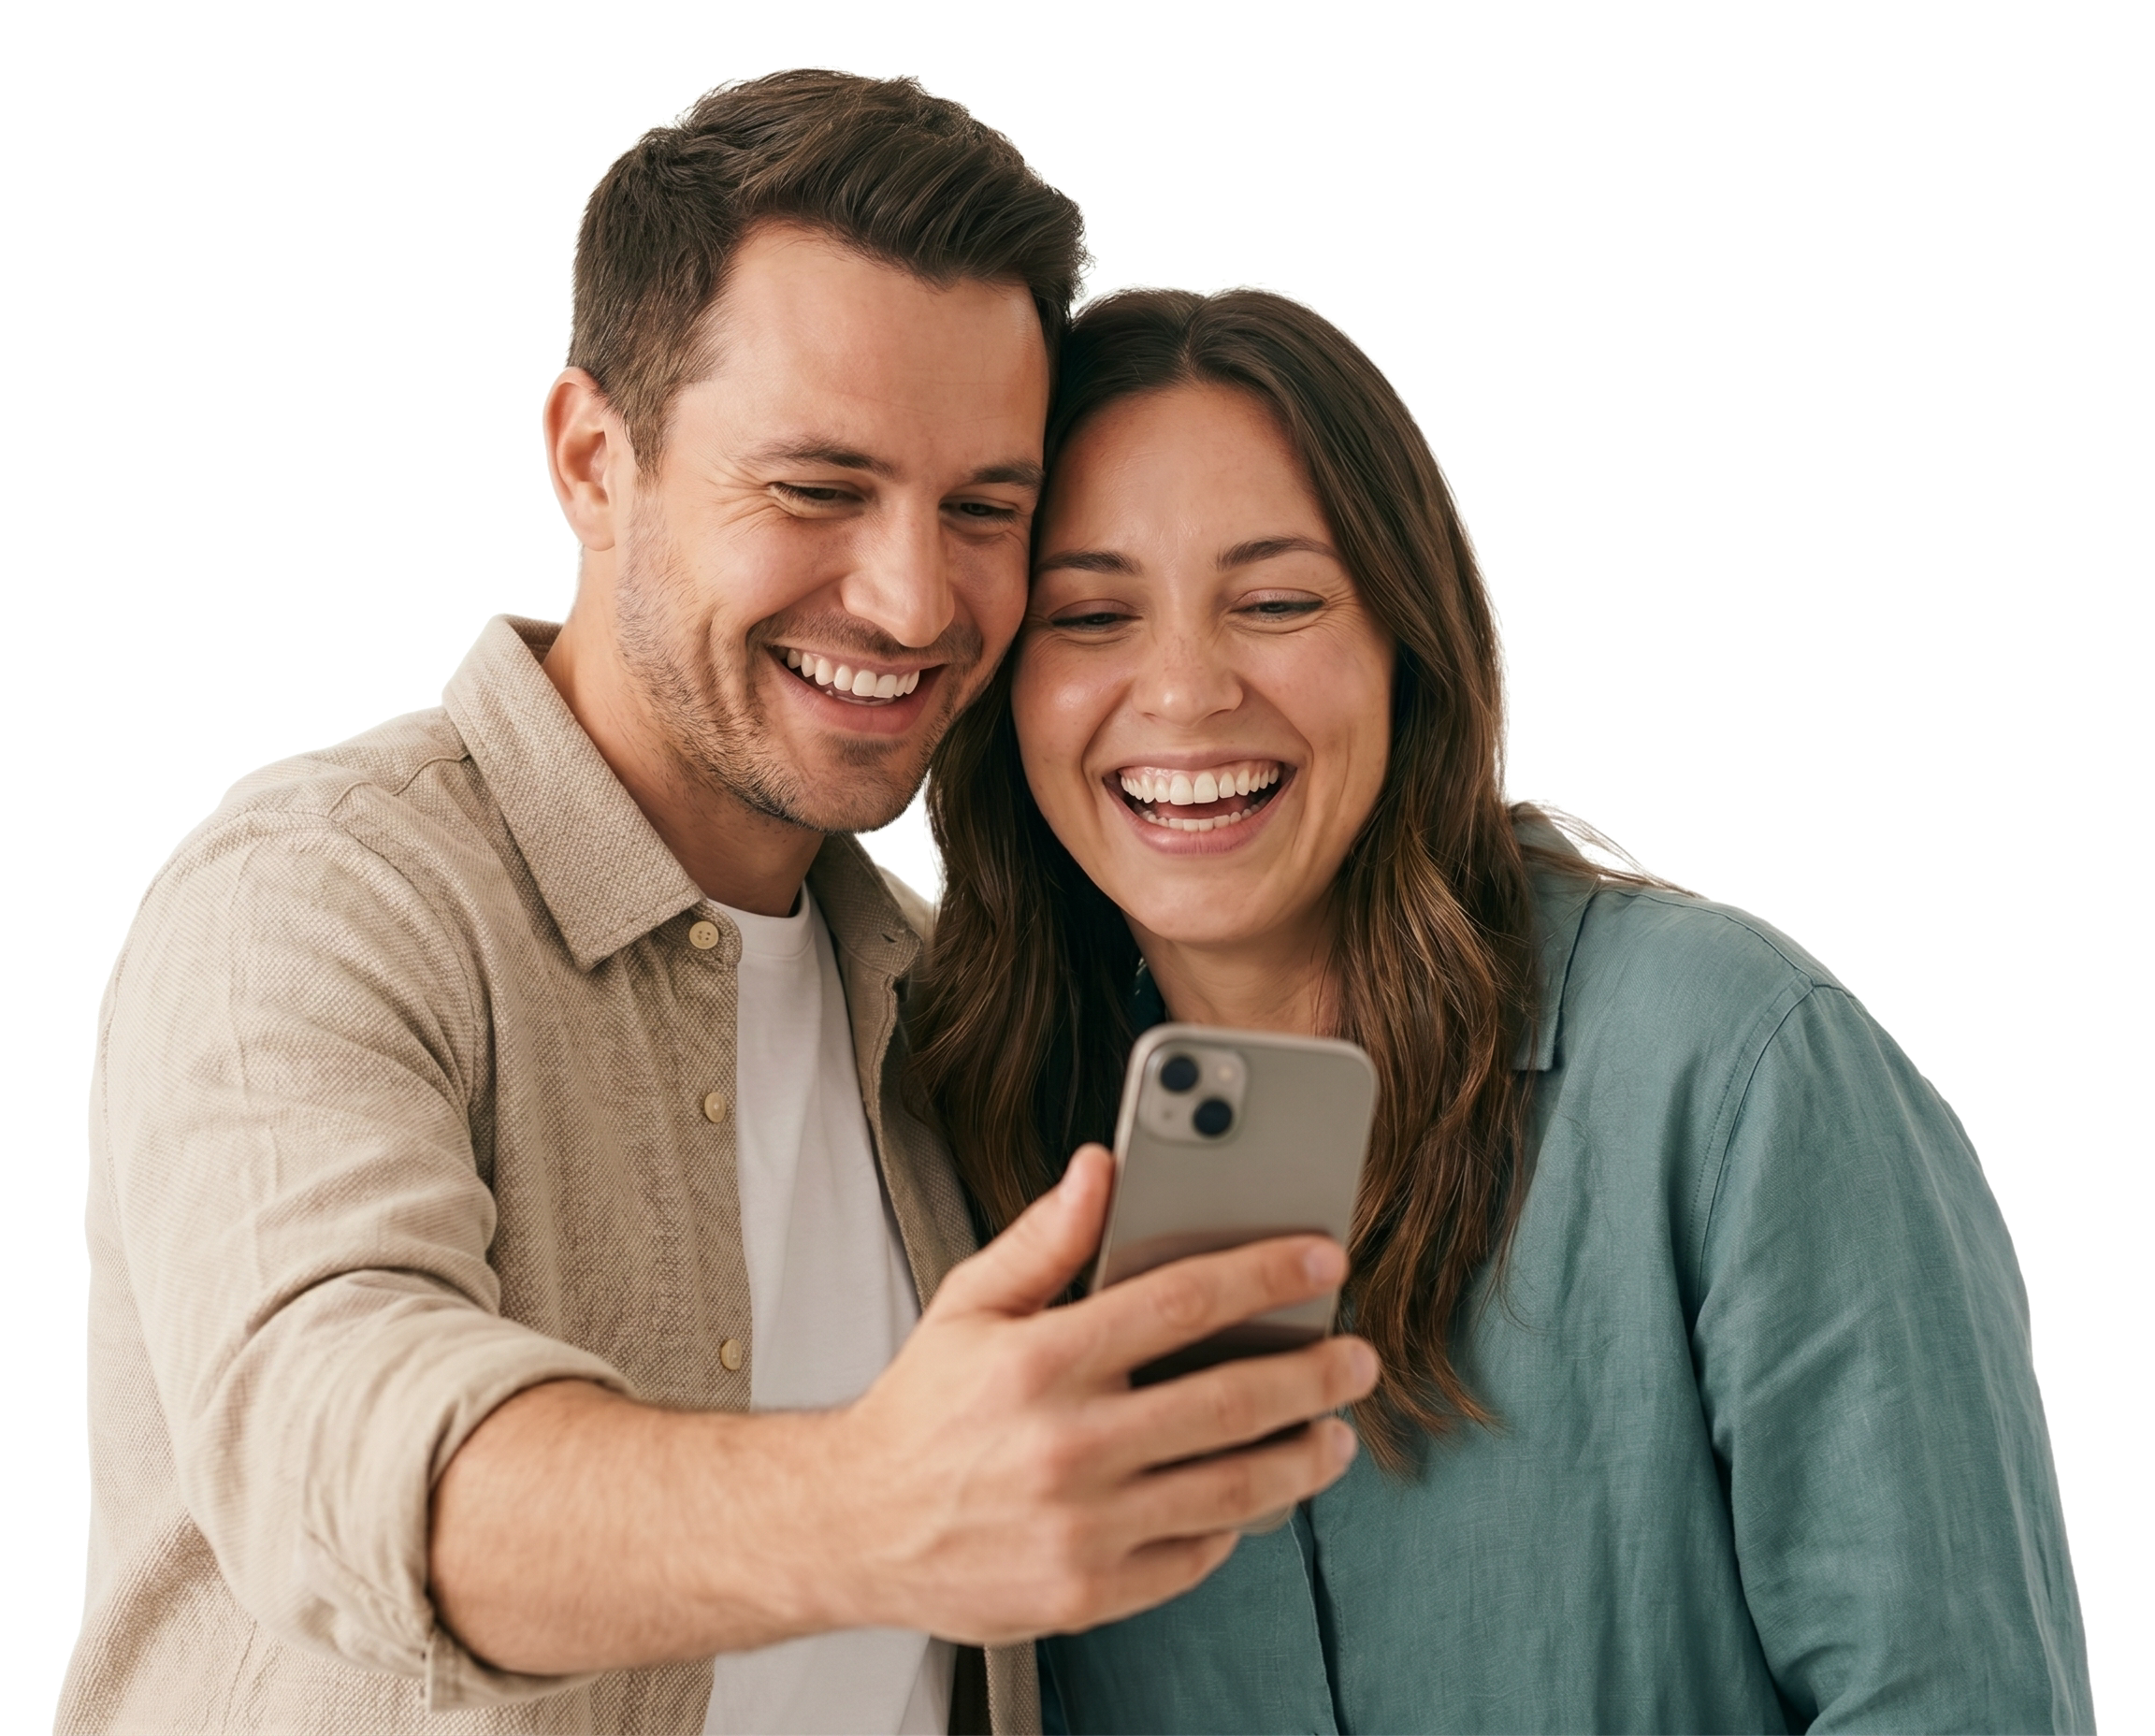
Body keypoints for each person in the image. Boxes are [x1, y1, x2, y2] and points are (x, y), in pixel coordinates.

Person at [58, 78, 1380, 1736]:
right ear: (594, 461)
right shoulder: (315, 900)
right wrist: (872, 1505)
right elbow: (337, 1444)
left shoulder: (941, 1001)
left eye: (984, 509)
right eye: (818, 489)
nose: (912, 599)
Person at [908, 287, 2092, 1732]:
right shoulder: (973, 1146)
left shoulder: (1731, 1071)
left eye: (1277, 603)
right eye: (1092, 615)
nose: (1186, 692)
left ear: (1406, 641)